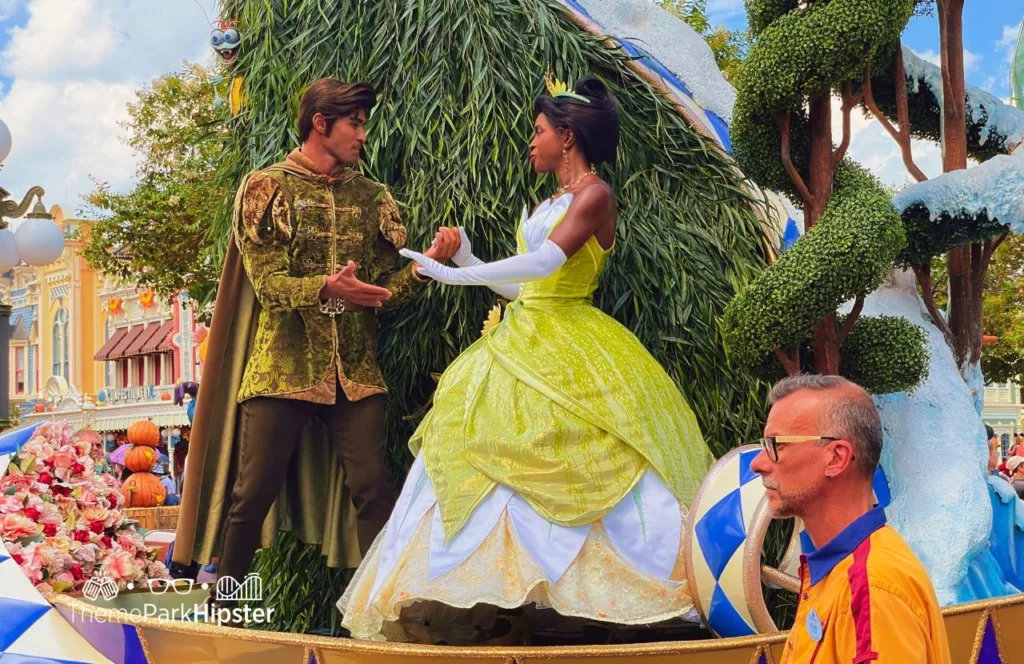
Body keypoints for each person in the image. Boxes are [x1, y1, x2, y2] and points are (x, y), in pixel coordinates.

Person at [337, 74, 714, 643]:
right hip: (521, 339)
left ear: (567, 136)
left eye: (538, 131)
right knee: (488, 454)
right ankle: (509, 599)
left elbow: (542, 266)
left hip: (576, 344)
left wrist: (450, 276)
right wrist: (465, 258)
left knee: (587, 454)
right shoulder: (546, 202)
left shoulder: (596, 195)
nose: (531, 141)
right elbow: (525, 289)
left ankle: (601, 597)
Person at [173, 78, 462, 589]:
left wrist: (427, 267)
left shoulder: (372, 197)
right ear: (320, 124)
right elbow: (268, 286)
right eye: (356, 124)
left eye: (365, 124)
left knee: (374, 489)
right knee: (252, 493)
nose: (364, 136)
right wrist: (327, 289)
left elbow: (383, 292)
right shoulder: (268, 187)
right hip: (284, 367)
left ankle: (381, 609)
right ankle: (228, 608)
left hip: (355, 370)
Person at [750, 374, 950, 664]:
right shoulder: (843, 569)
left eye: (776, 445)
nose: (758, 463)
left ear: (836, 458)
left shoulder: (870, 588)